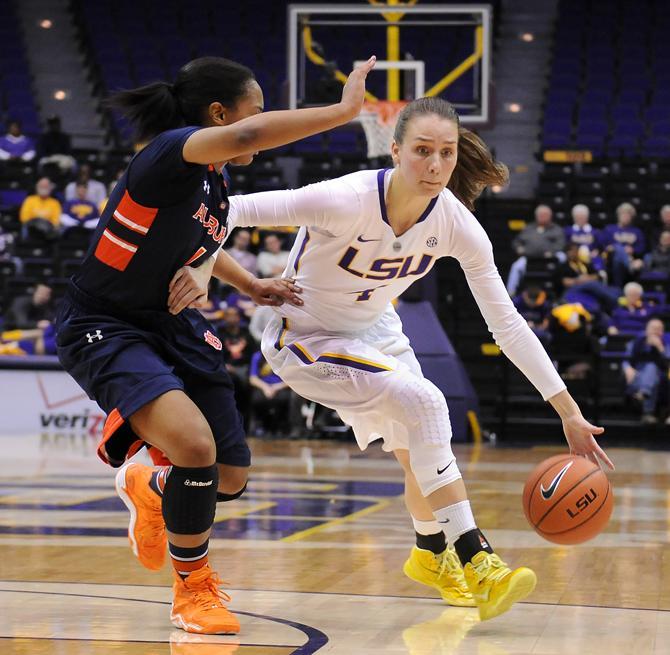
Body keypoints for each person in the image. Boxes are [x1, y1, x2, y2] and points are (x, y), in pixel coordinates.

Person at [213, 97, 613, 621]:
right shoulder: (346, 197)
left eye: (446, 153)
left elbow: (507, 324)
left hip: (376, 330)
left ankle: (429, 553)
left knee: (422, 443)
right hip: (306, 335)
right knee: (426, 401)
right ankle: (476, 557)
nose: (435, 165)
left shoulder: (455, 224)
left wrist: (567, 410)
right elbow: (231, 210)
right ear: (395, 150)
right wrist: (211, 274)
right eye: (422, 151)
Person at [54, 54, 376, 635]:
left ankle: (147, 484)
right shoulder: (168, 153)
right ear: (220, 116)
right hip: (106, 320)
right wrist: (345, 111)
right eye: (255, 109)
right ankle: (192, 593)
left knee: (228, 475)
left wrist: (250, 284)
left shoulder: (214, 179)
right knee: (194, 447)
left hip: (169, 322)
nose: (259, 123)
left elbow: (203, 238)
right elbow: (252, 134)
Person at [506, 204, 566, 295]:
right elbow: (517, 241)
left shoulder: (556, 229)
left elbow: (561, 244)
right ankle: (511, 293)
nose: (542, 217)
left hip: (550, 258)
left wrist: (552, 252)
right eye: (540, 215)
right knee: (516, 266)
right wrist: (518, 248)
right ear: (536, 216)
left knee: (563, 257)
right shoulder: (528, 228)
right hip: (529, 257)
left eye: (545, 215)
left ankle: (561, 289)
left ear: (550, 216)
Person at [623, 318, 670, 424]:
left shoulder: (665, 343)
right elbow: (625, 359)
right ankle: (647, 412)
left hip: (661, 377)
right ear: (646, 330)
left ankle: (644, 394)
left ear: (662, 332)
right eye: (653, 328)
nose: (656, 331)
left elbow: (668, 360)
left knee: (652, 368)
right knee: (651, 376)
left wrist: (660, 347)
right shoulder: (636, 342)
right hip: (637, 376)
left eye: (659, 329)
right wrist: (627, 368)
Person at [601, 202, 646, 288]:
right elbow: (603, 245)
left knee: (620, 256)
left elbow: (642, 247)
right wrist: (611, 248)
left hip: (631, 257)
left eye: (628, 215)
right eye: (623, 214)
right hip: (612, 259)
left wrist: (633, 249)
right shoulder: (610, 229)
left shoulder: (637, 231)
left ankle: (618, 286)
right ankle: (629, 265)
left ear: (631, 217)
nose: (625, 217)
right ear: (618, 215)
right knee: (618, 249)